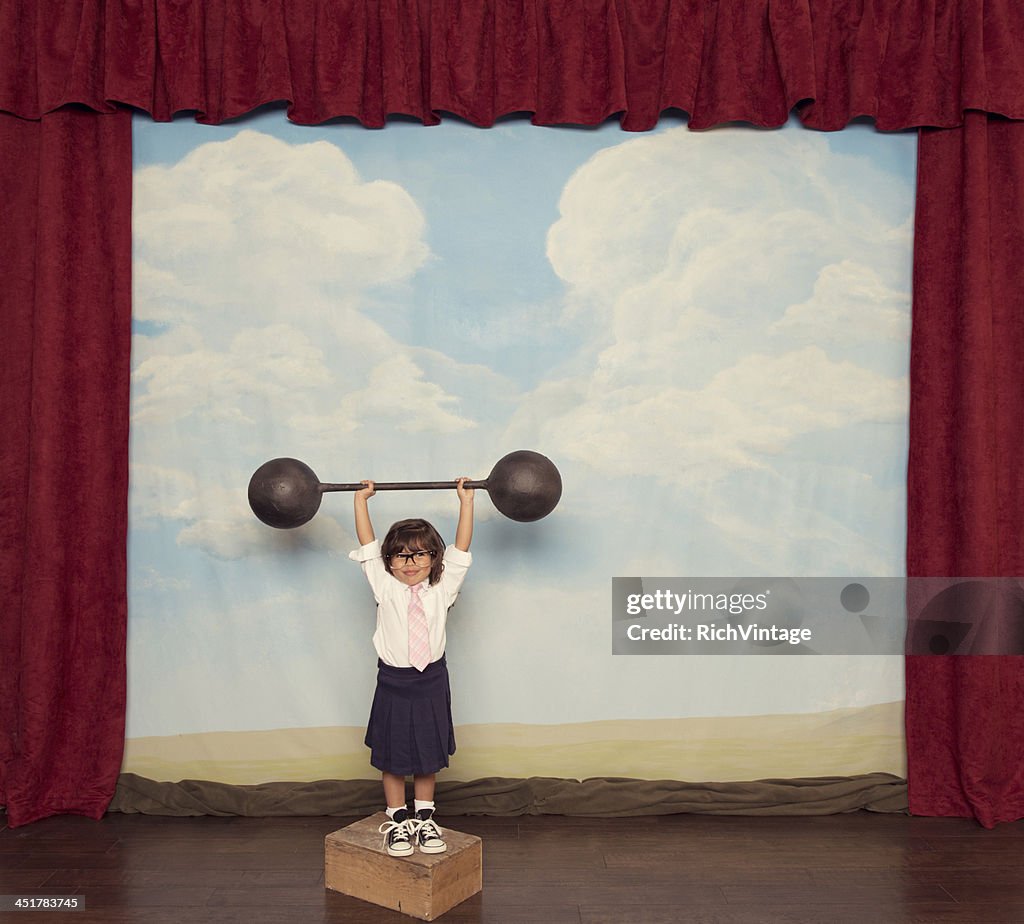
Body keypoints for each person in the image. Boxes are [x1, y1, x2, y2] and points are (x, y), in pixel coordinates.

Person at [350, 477, 474, 858]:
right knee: (393, 755)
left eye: (420, 555)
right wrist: (361, 501)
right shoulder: (384, 586)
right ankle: (398, 819)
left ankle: (423, 818)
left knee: (426, 753)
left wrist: (466, 502)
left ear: (434, 559)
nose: (410, 563)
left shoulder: (443, 588)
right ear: (389, 561)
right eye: (401, 556)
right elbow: (367, 545)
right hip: (393, 682)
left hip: (432, 681)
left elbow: (462, 547)